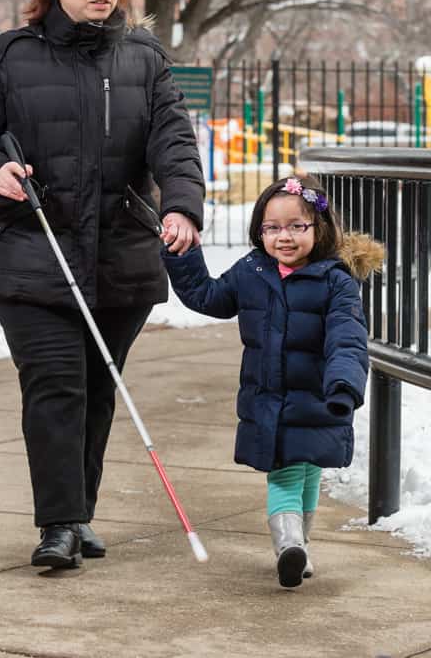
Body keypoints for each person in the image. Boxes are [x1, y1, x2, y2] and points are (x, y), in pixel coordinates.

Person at [0, 0, 204, 569]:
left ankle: (77, 511)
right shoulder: (12, 58)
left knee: (95, 384)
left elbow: (173, 141)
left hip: (121, 258)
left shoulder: (144, 60)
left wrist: (181, 204)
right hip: (30, 256)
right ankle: (59, 524)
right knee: (57, 381)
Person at [162, 176, 383, 587]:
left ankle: (297, 545)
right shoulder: (251, 271)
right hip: (269, 399)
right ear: (259, 231)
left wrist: (344, 385)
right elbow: (208, 297)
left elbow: (347, 337)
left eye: (297, 226)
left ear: (319, 229)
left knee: (309, 469)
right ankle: (290, 546)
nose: (284, 237)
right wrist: (183, 255)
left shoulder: (335, 280)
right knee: (286, 470)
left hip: (318, 396)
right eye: (273, 228)